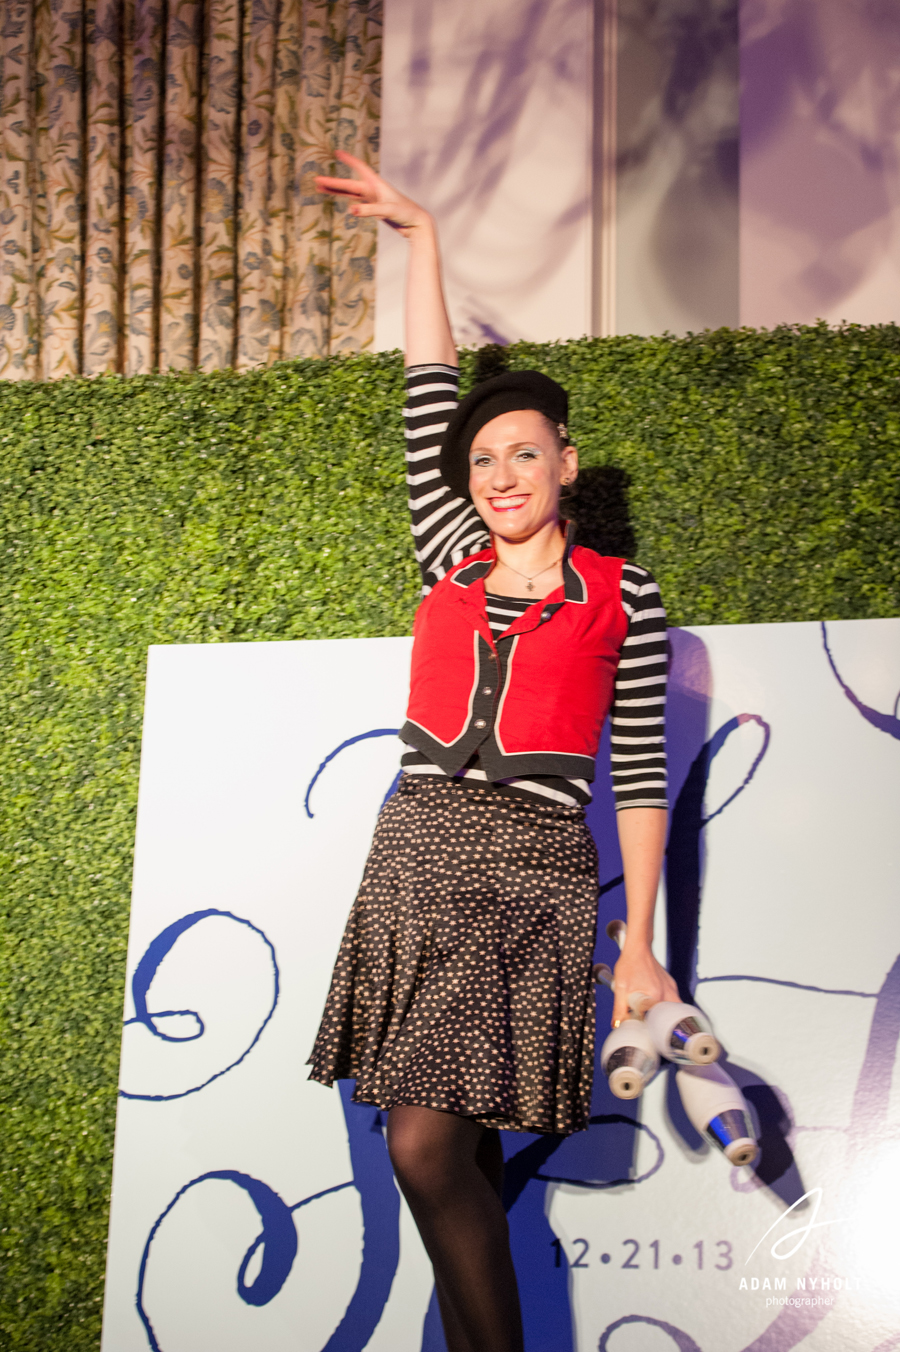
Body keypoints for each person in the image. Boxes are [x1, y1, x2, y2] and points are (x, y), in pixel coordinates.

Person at [308, 151, 678, 1352]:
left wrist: (641, 947)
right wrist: (423, 238)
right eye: (481, 459)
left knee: (423, 1142)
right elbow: (426, 386)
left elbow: (634, 773)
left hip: (526, 874)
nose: (499, 474)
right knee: (444, 1141)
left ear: (565, 462)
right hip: (415, 851)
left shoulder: (628, 596)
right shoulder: (446, 555)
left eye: (523, 452)